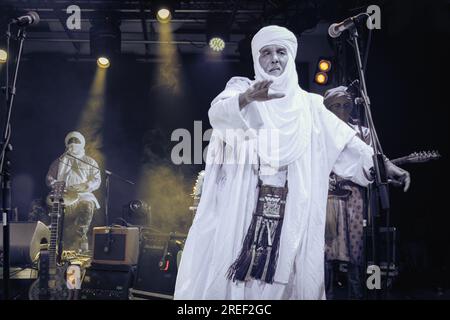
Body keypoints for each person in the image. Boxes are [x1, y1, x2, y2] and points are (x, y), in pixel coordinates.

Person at [174, 25, 410, 300]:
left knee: (289, 277)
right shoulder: (241, 89)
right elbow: (219, 113)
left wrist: (383, 165)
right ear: (256, 58)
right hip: (245, 209)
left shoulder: (310, 106)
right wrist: (248, 98)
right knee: (240, 281)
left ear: (291, 56)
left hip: (292, 211)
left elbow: (346, 143)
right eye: (266, 52)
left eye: (281, 52)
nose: (274, 58)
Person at [323, 86, 410, 299]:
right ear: (328, 109)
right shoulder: (321, 132)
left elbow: (372, 163)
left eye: (345, 105)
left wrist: (388, 176)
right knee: (323, 257)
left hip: (354, 199)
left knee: (357, 256)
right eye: (336, 106)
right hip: (327, 198)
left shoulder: (363, 132)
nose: (341, 110)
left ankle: (358, 296)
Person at [46, 131, 101, 253]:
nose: (73, 144)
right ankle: (52, 242)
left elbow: (96, 179)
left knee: (87, 204)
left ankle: (79, 239)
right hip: (62, 193)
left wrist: (86, 185)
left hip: (82, 194)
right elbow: (49, 178)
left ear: (82, 143)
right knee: (48, 205)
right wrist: (57, 184)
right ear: (66, 144)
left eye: (76, 141)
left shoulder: (90, 162)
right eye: (71, 141)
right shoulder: (59, 161)